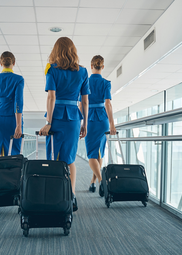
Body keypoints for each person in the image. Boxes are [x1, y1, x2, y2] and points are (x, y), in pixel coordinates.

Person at [39, 37, 90, 212]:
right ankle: (71, 196)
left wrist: (48, 123)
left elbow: (51, 97)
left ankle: (54, 195)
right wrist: (85, 123)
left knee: (53, 158)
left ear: (56, 51)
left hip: (56, 118)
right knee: (69, 159)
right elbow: (85, 101)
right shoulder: (83, 72)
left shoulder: (52, 70)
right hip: (74, 119)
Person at [83, 55, 116, 195]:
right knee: (99, 152)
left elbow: (82, 103)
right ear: (102, 67)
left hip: (90, 119)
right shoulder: (106, 83)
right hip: (103, 120)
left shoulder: (85, 82)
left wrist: (82, 122)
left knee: (91, 154)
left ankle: (102, 181)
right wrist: (112, 124)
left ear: (91, 66)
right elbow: (108, 104)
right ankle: (93, 182)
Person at [0, 51, 24, 157]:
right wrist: (18, 125)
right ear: (14, 62)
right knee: (14, 150)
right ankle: (13, 173)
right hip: (13, 118)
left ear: (1, 63)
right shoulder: (18, 79)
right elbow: (18, 102)